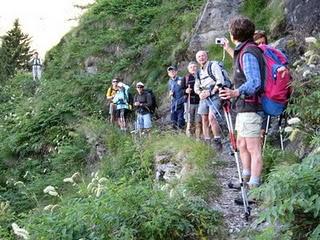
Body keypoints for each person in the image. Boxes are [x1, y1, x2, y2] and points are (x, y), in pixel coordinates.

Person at [219, 16, 265, 189]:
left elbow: (255, 82)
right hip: (244, 107)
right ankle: (245, 179)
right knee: (242, 144)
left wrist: (235, 92)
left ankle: (254, 189)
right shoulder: (245, 50)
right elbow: (241, 63)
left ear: (234, 33)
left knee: (253, 148)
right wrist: (228, 48)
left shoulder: (248, 53)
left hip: (251, 106)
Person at [194, 50, 224, 151]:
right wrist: (199, 93)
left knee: (212, 117)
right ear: (197, 59)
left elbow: (220, 80)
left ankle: (217, 140)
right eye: (199, 57)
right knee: (204, 119)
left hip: (214, 94)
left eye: (203, 56)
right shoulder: (198, 72)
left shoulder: (213, 65)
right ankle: (207, 140)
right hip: (204, 96)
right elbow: (196, 86)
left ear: (207, 56)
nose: (201, 58)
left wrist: (211, 92)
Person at [184, 61, 201, 138]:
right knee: (189, 122)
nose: (193, 68)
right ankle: (189, 139)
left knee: (198, 122)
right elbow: (181, 90)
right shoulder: (186, 78)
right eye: (191, 67)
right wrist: (185, 91)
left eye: (194, 67)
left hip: (200, 102)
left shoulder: (201, 76)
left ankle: (198, 139)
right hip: (189, 102)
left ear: (197, 68)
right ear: (188, 69)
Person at [168, 66, 185, 130]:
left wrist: (183, 99)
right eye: (170, 72)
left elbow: (185, 90)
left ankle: (182, 133)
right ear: (168, 74)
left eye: (173, 71)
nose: (172, 73)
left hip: (181, 102)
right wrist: (170, 94)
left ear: (176, 72)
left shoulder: (181, 79)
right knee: (173, 120)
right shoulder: (169, 82)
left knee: (181, 119)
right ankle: (175, 135)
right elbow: (170, 90)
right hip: (173, 103)